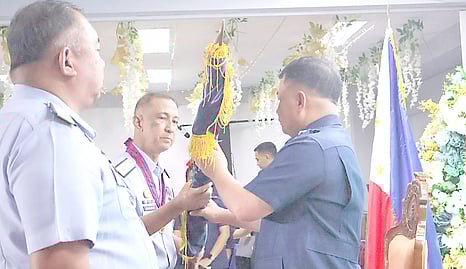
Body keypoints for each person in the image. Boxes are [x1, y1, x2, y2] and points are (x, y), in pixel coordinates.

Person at [0, 1, 160, 268]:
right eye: (97, 50)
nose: (101, 62)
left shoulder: (15, 121)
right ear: (67, 61)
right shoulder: (51, 135)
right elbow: (60, 262)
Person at [193, 56, 365, 269]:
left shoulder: (311, 146)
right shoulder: (335, 143)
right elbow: (285, 224)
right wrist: (219, 214)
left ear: (300, 101)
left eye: (280, 99)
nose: (276, 110)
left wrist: (216, 168)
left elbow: (245, 207)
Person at [114, 93, 211, 269]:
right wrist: (179, 205)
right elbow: (125, 233)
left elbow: (160, 233)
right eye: (162, 118)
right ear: (138, 122)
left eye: (175, 121)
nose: (170, 128)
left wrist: (185, 250)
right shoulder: (118, 173)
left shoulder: (162, 176)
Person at [235, 142, 277, 269]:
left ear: (267, 156)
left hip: (268, 234)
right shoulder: (283, 174)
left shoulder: (266, 178)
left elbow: (246, 196)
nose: (257, 163)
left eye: (258, 159)